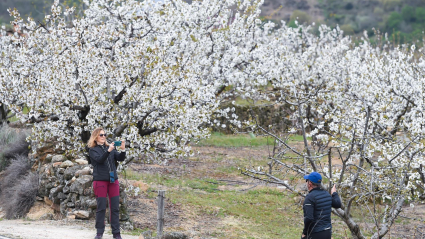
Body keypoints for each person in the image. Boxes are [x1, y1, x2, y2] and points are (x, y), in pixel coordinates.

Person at [88, 127, 126, 239]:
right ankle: (99, 232)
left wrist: (123, 150)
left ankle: (116, 233)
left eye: (105, 134)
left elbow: (120, 158)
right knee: (101, 207)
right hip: (100, 181)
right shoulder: (93, 150)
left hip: (113, 181)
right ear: (95, 137)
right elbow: (99, 160)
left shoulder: (110, 148)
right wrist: (109, 150)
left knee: (115, 207)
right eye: (101, 135)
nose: (104, 136)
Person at [302, 172, 341, 239]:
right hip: (327, 232)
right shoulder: (326, 194)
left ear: (310, 183)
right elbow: (337, 204)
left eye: (307, 181)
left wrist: (305, 233)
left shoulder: (310, 197)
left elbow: (309, 218)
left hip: (315, 233)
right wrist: (334, 193)